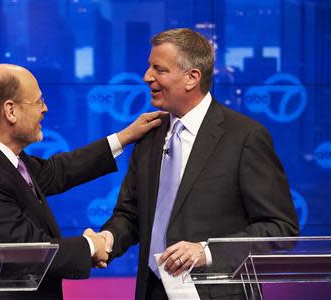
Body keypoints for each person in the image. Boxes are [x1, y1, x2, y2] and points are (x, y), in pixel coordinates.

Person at [0, 63, 165, 300]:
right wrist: (92, 246)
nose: (45, 108)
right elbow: (26, 251)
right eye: (38, 101)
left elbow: (56, 171)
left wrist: (123, 138)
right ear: (10, 111)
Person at [98, 28, 299, 299]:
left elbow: (280, 228)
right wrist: (107, 239)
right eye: (149, 67)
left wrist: (207, 251)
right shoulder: (149, 134)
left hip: (215, 292)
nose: (147, 77)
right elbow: (130, 214)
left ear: (192, 77)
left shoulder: (244, 137)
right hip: (152, 291)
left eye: (159, 69)